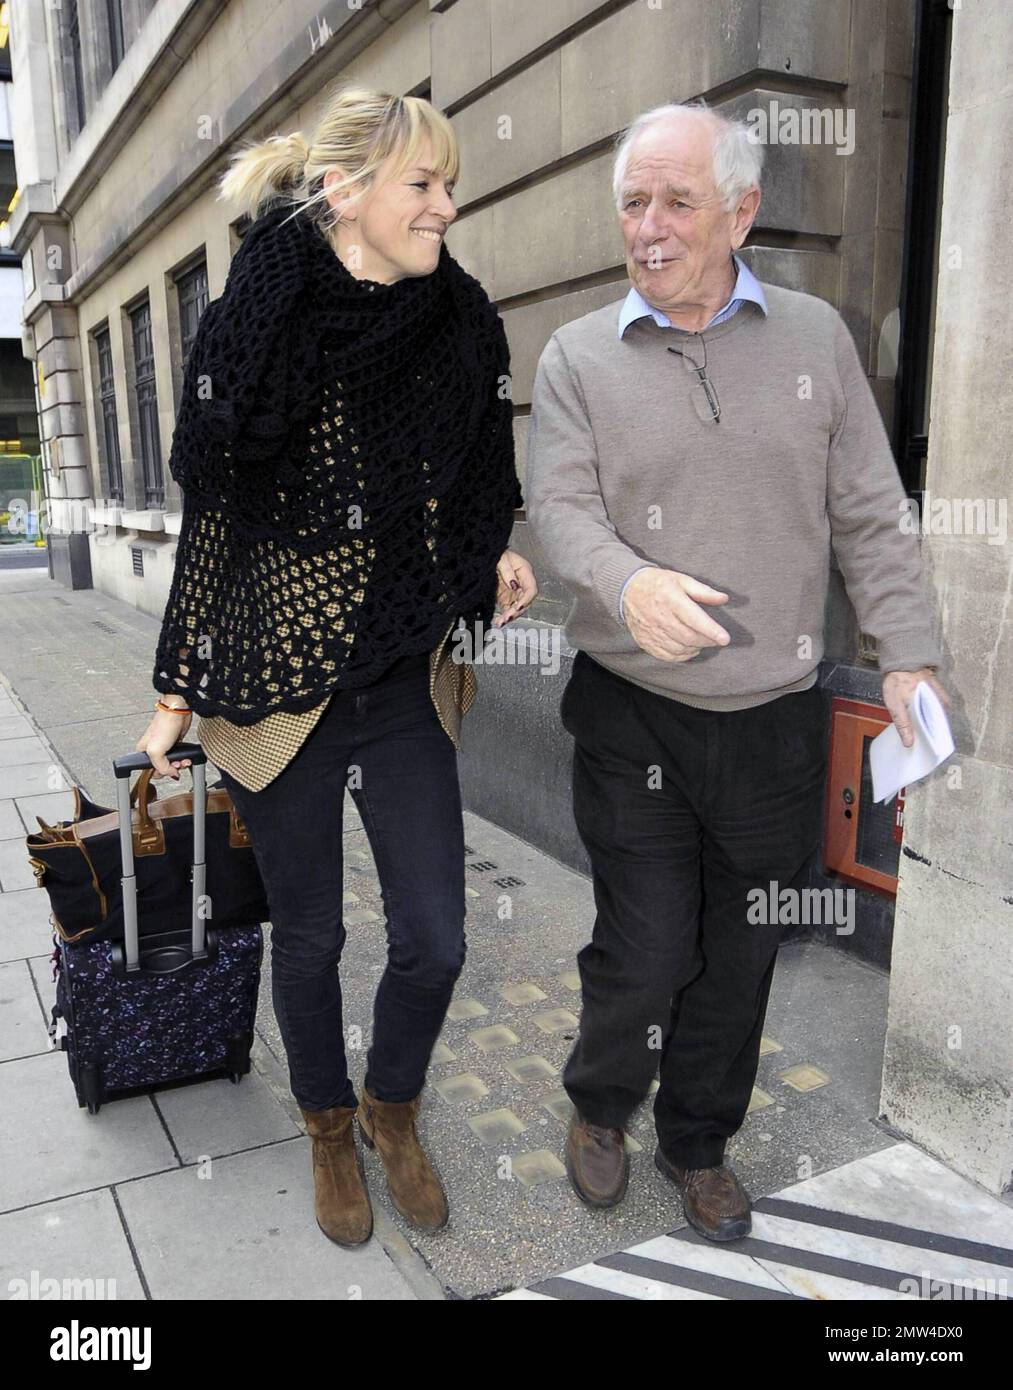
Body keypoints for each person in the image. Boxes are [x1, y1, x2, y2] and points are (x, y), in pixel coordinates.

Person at [525, 100, 948, 1242]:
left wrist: (906, 653)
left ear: (741, 212)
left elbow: (868, 510)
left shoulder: (815, 340)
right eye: (631, 202)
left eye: (675, 201)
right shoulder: (574, 356)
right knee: (650, 943)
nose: (647, 227)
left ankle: (698, 1140)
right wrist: (627, 583)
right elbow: (559, 512)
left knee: (741, 947)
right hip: (631, 715)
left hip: (772, 722)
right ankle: (601, 1104)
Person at [136, 86, 537, 1248]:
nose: (446, 205)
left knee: (436, 936)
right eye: (424, 183)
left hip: (403, 680)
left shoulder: (456, 317)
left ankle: (391, 1105)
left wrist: (487, 555)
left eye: (449, 183)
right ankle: (325, 1124)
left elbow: (466, 478)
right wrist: (175, 693)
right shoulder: (264, 321)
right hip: (282, 688)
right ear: (346, 192)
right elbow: (218, 508)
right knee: (309, 935)